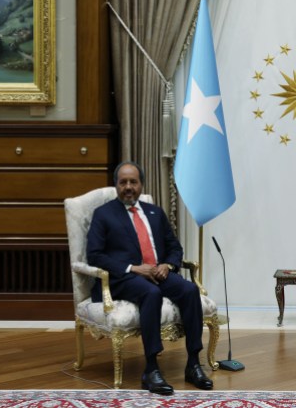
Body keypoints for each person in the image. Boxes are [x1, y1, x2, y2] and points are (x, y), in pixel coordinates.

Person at [87, 161, 213, 395]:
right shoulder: (103, 214)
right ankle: (151, 369)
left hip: (158, 272)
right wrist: (132, 268)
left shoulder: (155, 213)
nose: (128, 187)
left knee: (189, 290)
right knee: (151, 293)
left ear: (141, 185)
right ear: (116, 185)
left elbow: (175, 247)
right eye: (123, 182)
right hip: (123, 278)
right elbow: (94, 255)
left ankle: (193, 363)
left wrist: (168, 264)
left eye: (133, 182)